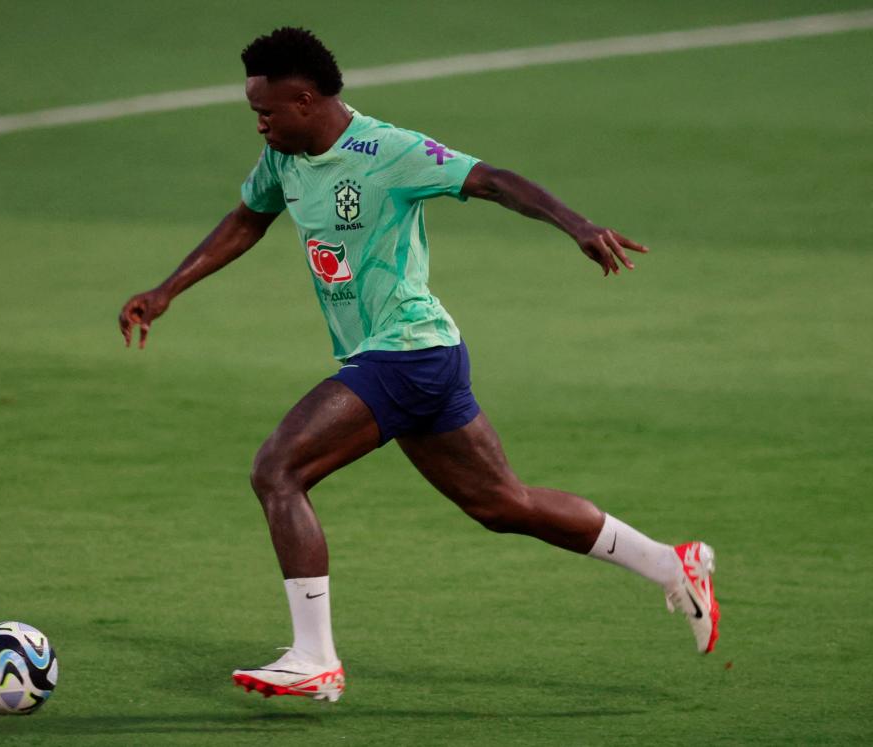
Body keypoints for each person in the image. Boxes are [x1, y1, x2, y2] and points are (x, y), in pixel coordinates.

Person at [118, 27, 719, 703]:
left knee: (277, 468)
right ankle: (672, 561)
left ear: (307, 99)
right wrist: (167, 288)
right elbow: (246, 219)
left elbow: (489, 178)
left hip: (407, 351)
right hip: (411, 359)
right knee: (501, 503)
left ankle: (315, 656)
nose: (258, 122)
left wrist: (575, 224)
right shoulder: (284, 158)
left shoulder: (386, 150)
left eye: (267, 109)